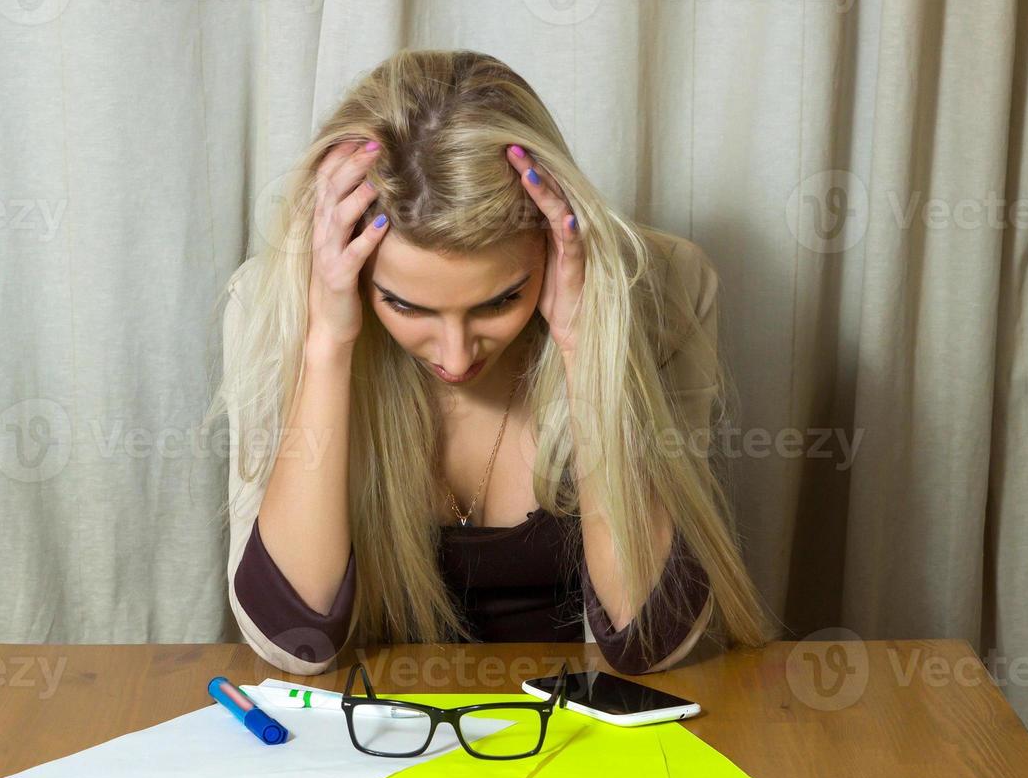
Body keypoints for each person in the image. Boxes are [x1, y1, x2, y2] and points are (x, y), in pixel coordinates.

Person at [206, 49, 772, 677]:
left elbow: (654, 640)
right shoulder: (274, 306)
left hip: (586, 736)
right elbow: (295, 641)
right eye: (405, 304)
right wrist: (326, 346)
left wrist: (588, 343)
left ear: (551, 253)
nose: (455, 356)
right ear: (356, 273)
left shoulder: (664, 288)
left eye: (501, 299)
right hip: (380, 738)